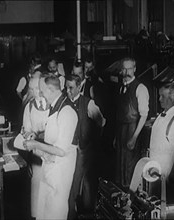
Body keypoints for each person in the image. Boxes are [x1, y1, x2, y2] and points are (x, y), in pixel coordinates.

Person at [23, 74, 78, 220]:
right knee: (46, 211)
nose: (40, 94)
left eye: (42, 91)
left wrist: (35, 144)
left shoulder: (67, 112)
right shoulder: (55, 108)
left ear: (50, 90)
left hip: (60, 171)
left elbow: (61, 150)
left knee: (56, 211)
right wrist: (38, 139)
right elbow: (53, 139)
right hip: (51, 168)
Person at [66, 74, 106, 219]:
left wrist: (91, 140)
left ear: (79, 87)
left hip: (84, 149)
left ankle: (86, 212)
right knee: (71, 180)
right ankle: (72, 210)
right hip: (69, 148)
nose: (68, 91)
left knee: (84, 180)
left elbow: (101, 122)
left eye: (71, 88)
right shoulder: (65, 102)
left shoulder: (88, 103)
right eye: (66, 88)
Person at [114, 57, 150, 188]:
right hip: (121, 131)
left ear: (134, 69)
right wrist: (116, 137)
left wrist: (134, 138)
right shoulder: (121, 87)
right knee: (120, 169)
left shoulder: (140, 88)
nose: (126, 71)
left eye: (129, 68)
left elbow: (144, 115)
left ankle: (131, 200)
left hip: (133, 130)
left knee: (130, 169)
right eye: (124, 68)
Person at [20, 77, 49, 220]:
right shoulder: (29, 107)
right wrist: (30, 133)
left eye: (38, 88)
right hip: (36, 153)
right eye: (33, 89)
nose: (36, 92)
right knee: (37, 187)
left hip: (51, 151)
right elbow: (26, 129)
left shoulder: (52, 104)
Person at [149, 82, 174, 183]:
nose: (159, 99)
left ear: (173, 96)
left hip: (166, 174)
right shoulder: (162, 114)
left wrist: (172, 174)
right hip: (154, 171)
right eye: (159, 95)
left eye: (162, 96)